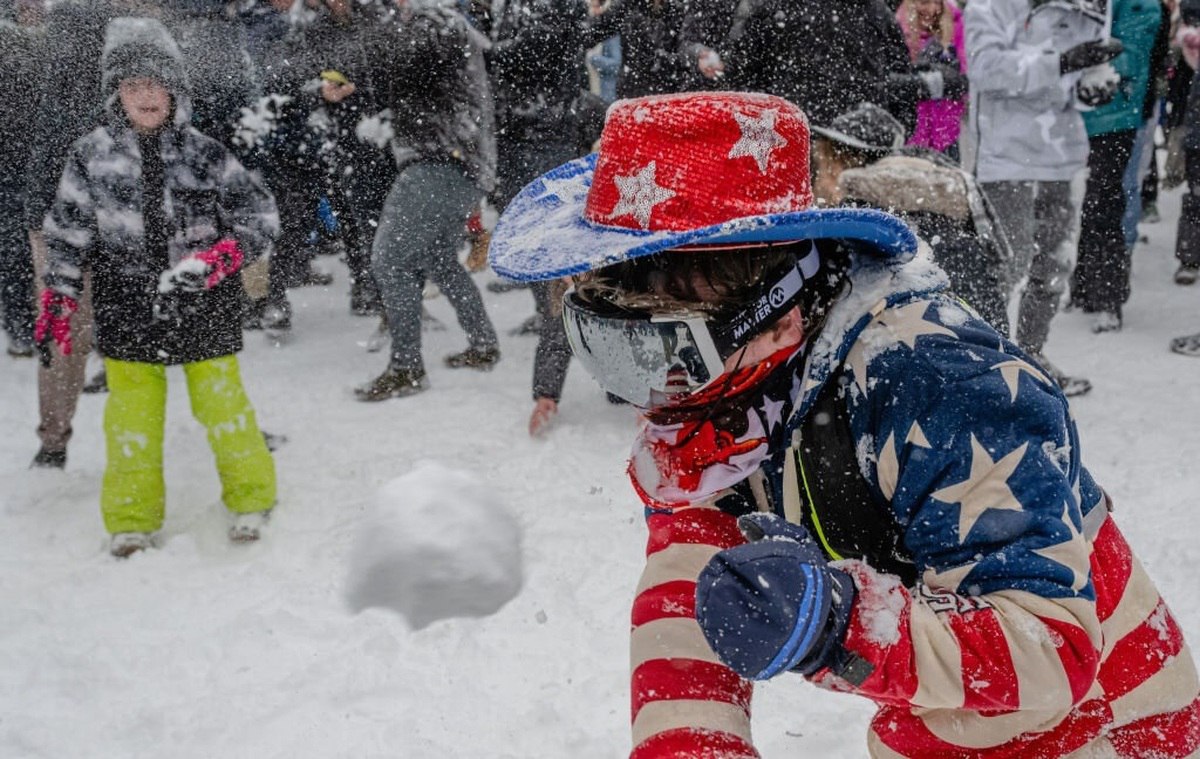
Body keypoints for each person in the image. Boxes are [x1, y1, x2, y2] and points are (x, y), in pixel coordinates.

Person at [489, 92, 1200, 758]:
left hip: (1103, 718)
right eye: (604, 348)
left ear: (779, 317)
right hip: (938, 724)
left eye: (662, 352)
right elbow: (688, 579)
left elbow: (1050, 647)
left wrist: (842, 622)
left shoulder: (939, 383)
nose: (646, 396)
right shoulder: (718, 405)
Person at [37, 18, 279, 557]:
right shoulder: (89, 155)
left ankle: (251, 497)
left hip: (203, 296)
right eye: (131, 85)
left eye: (155, 83)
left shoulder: (207, 153)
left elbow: (259, 216)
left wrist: (223, 256)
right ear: (114, 94)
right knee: (131, 417)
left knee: (223, 407)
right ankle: (131, 519)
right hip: (127, 301)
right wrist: (59, 293)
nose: (145, 95)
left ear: (176, 89)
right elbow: (67, 233)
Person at [965, 0, 1124, 396]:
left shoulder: (1085, 7)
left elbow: (1078, 83)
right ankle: (982, 365)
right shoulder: (990, 6)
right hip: (1005, 158)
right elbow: (986, 68)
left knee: (1055, 267)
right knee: (1007, 266)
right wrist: (1061, 62)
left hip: (1062, 154)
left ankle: (1032, 355)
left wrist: (1095, 86)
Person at [354, 0, 500, 401]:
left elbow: (405, 61)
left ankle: (406, 368)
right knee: (438, 259)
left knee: (390, 259)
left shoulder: (434, 21)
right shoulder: (433, 22)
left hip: (441, 161)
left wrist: (366, 24)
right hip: (457, 162)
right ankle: (484, 343)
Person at [811, 102, 1011, 333]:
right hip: (988, 348)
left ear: (842, 163)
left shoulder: (856, 227)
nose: (817, 182)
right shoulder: (957, 207)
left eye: (822, 167)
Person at [1071, 0, 1163, 333]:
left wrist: (1078, 60)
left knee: (1105, 200)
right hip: (1072, 110)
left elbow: (1133, 53)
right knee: (1079, 203)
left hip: (1115, 112)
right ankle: (1081, 286)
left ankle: (1109, 297)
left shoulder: (1140, 4)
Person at [896, 0, 968, 155]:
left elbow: (968, 76)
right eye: (924, 2)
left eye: (937, 3)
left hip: (946, 136)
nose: (932, 9)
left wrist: (947, 77)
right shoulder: (896, 28)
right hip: (909, 136)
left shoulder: (956, 25)